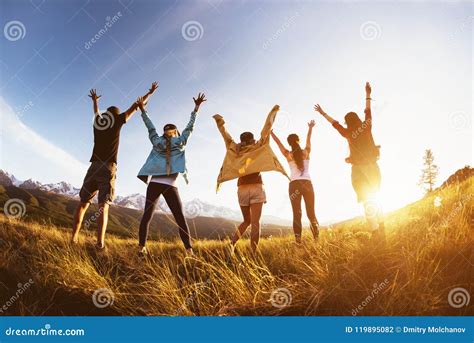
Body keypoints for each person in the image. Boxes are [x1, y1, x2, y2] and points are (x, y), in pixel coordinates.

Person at [71, 83, 158, 249]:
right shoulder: (118, 120)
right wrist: (150, 93)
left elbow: (96, 113)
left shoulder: (99, 122)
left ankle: (73, 239)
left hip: (93, 166)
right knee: (103, 207)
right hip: (108, 167)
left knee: (82, 203)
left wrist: (95, 101)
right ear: (117, 115)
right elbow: (135, 105)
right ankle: (100, 244)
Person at [136, 92, 206, 257]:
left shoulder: (157, 141)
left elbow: (150, 127)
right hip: (170, 185)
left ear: (164, 132)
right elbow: (190, 127)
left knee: (147, 216)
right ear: (175, 132)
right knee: (180, 218)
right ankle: (189, 251)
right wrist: (196, 108)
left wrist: (142, 110)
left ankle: (141, 249)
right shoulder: (180, 141)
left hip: (155, 183)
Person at [213, 105, 289, 253]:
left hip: (241, 189)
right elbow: (266, 130)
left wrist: (219, 121)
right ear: (252, 139)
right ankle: (253, 254)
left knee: (246, 220)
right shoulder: (258, 146)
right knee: (255, 223)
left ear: (241, 140)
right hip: (256, 187)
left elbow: (226, 136)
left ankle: (231, 245)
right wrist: (273, 112)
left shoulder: (235, 149)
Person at [314, 82, 384, 237]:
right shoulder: (366, 126)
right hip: (372, 166)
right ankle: (381, 223)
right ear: (357, 119)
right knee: (375, 193)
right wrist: (367, 94)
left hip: (358, 169)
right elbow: (368, 111)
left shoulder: (348, 133)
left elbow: (334, 124)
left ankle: (374, 228)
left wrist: (322, 113)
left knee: (366, 198)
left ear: (347, 122)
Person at [271, 120, 319, 244]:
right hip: (307, 184)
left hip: (294, 185)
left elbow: (278, 144)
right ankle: (317, 239)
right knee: (311, 213)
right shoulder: (306, 152)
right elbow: (309, 138)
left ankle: (298, 241)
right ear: (298, 140)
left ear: (289, 143)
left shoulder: (288, 154)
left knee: (297, 213)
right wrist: (310, 128)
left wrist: (271, 134)